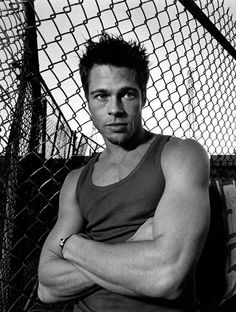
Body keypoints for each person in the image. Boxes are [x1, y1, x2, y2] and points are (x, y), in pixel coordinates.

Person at [37, 33, 210, 312]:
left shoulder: (181, 155)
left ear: (142, 96)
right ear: (88, 102)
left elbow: (167, 276)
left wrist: (72, 247)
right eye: (101, 96)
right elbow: (46, 286)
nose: (114, 109)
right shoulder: (75, 180)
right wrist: (137, 245)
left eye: (127, 94)